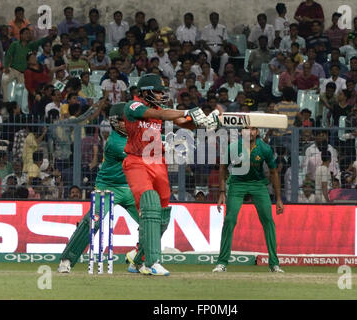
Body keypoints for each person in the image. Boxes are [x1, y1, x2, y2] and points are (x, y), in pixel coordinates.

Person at [122, 73, 218, 276]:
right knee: (149, 206)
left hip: (157, 162)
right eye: (157, 91)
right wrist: (187, 110)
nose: (160, 95)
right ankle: (152, 262)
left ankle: (138, 258)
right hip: (137, 161)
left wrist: (206, 122)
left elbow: (185, 123)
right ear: (146, 92)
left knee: (163, 211)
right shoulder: (133, 106)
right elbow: (164, 115)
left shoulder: (157, 110)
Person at [58, 103, 142, 273]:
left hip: (130, 188)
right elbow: (138, 156)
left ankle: (139, 259)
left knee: (150, 222)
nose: (131, 123)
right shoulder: (114, 141)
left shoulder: (135, 134)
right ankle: (67, 260)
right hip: (108, 188)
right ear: (116, 122)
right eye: (126, 120)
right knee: (92, 222)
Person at [213, 126, 284, 273]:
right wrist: (222, 192)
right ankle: (222, 262)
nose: (249, 132)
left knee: (268, 221)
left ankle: (274, 264)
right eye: (246, 129)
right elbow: (222, 168)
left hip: (258, 184)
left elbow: (274, 172)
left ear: (257, 132)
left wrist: (278, 198)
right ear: (241, 131)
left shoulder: (264, 148)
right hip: (237, 184)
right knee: (230, 220)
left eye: (253, 129)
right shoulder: (233, 147)